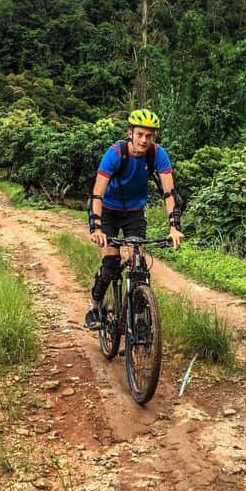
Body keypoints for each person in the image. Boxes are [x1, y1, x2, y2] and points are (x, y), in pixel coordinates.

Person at [85, 109, 185, 329]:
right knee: (110, 265)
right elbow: (97, 194)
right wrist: (97, 228)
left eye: (149, 135)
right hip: (108, 211)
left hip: (134, 213)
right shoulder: (115, 153)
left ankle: (138, 319)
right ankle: (94, 306)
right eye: (140, 134)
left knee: (138, 266)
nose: (143, 140)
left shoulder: (158, 154)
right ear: (130, 132)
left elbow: (170, 193)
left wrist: (174, 227)